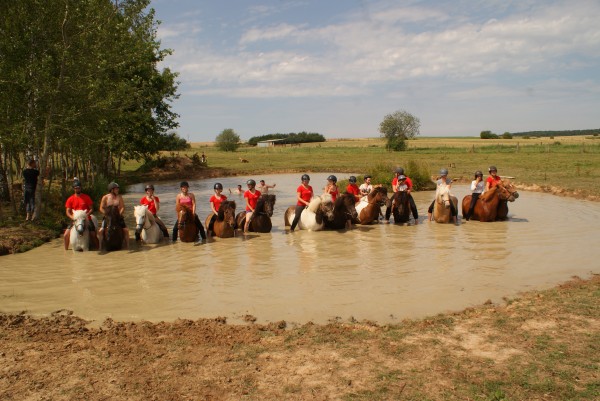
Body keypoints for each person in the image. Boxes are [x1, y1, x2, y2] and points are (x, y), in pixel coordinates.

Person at [64, 180, 99, 250]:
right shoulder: (70, 199)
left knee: (92, 234)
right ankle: (66, 250)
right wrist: (72, 217)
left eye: (79, 188)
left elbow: (91, 209)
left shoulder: (86, 197)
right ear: (74, 189)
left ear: (81, 188)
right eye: (76, 188)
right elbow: (67, 211)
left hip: (86, 218)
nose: (78, 189)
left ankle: (98, 247)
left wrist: (85, 215)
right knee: (66, 235)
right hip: (76, 219)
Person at [99, 182, 129, 249]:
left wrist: (119, 214)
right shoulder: (105, 197)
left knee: (125, 230)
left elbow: (122, 207)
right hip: (108, 217)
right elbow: (101, 208)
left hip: (118, 216)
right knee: (101, 230)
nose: (117, 190)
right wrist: (106, 214)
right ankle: (100, 246)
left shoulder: (119, 197)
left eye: (117, 189)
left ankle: (127, 245)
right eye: (116, 189)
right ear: (111, 190)